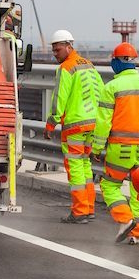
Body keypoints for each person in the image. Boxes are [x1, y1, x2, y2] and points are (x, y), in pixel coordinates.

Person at [92, 42, 139, 243]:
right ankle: (135, 235)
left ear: (116, 62)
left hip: (119, 149)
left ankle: (125, 220)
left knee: (109, 186)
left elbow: (103, 122)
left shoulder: (111, 87)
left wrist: (97, 148)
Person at [44, 30, 104, 223]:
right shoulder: (89, 65)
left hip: (76, 125)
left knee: (75, 166)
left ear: (69, 46)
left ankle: (79, 212)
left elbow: (59, 98)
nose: (55, 54)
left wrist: (51, 122)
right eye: (53, 50)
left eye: (58, 49)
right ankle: (89, 208)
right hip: (94, 124)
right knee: (86, 165)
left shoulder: (66, 68)